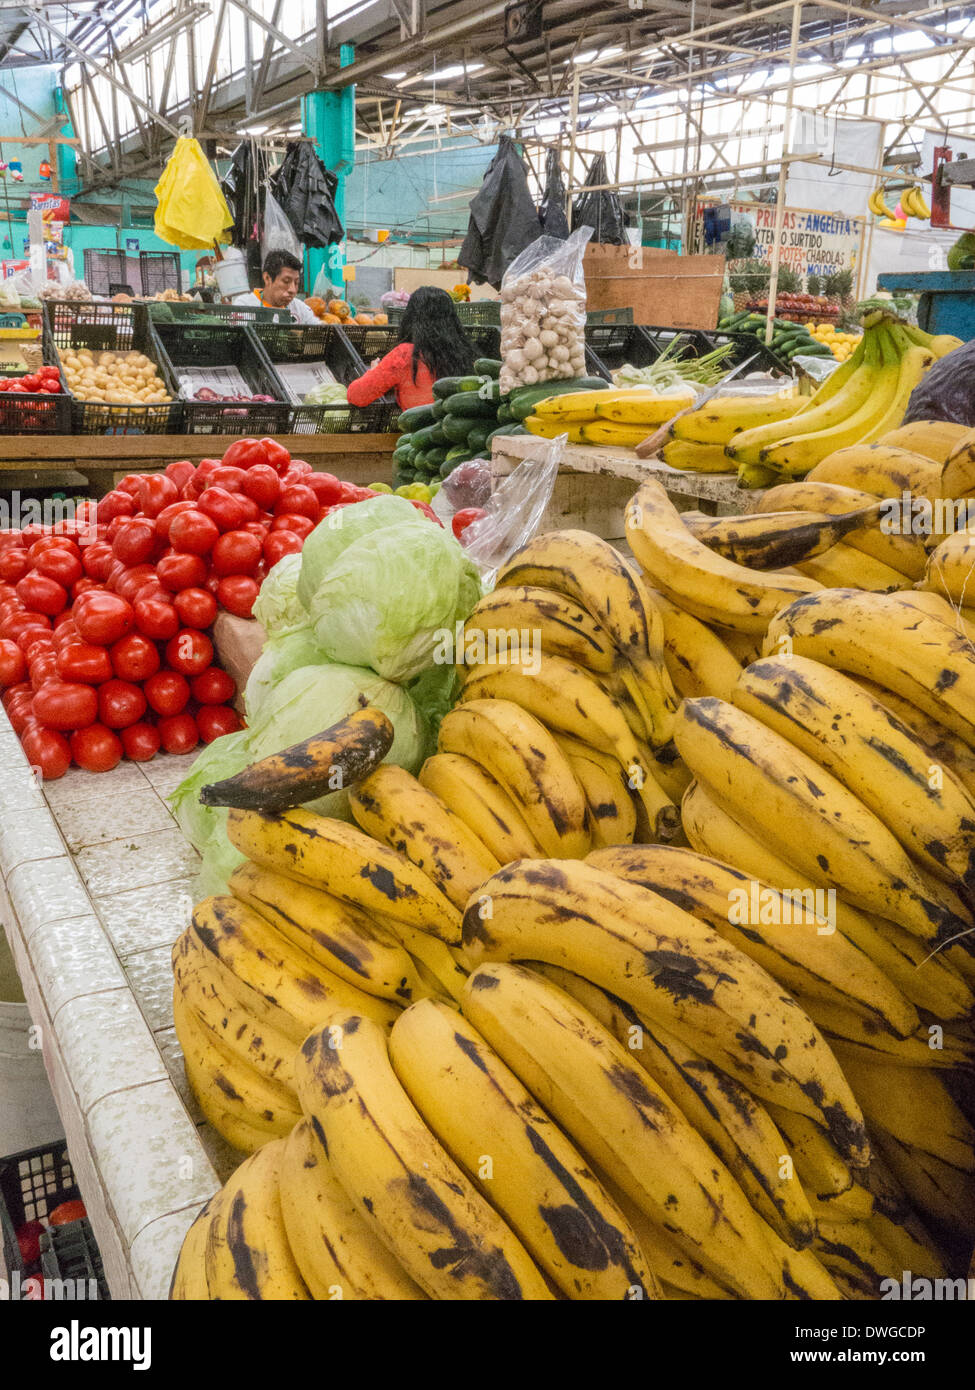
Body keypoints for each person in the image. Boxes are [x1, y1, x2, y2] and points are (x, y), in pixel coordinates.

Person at [347, 285, 475, 410]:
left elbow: (356, 396)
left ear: (411, 317)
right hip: (457, 429)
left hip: (419, 430)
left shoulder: (404, 355)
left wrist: (374, 372)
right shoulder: (466, 353)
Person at [255, 249, 319, 323]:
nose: (293, 290)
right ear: (267, 278)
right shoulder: (246, 304)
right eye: (286, 281)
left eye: (296, 282)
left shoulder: (301, 309)